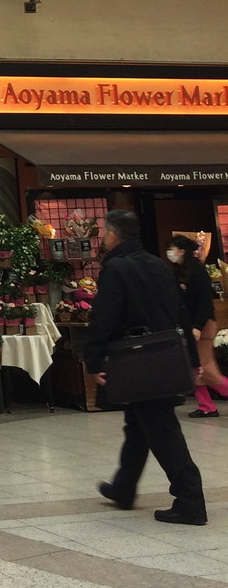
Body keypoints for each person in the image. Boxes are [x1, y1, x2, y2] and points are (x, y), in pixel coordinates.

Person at [88, 211, 206, 524]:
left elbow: (103, 316)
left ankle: (191, 501)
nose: (104, 238)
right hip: (165, 357)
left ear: (113, 234)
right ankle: (124, 488)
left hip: (137, 361)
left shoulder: (115, 268)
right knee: (139, 426)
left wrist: (93, 359)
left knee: (163, 431)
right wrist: (192, 359)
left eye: (105, 233)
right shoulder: (158, 265)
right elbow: (181, 314)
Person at [165, 234, 228, 417]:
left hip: (202, 326)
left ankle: (208, 404)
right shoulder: (179, 271)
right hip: (189, 326)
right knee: (195, 367)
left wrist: (198, 326)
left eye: (172, 249)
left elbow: (205, 302)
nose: (170, 253)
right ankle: (206, 406)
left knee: (203, 368)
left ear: (181, 251)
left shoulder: (197, 271)